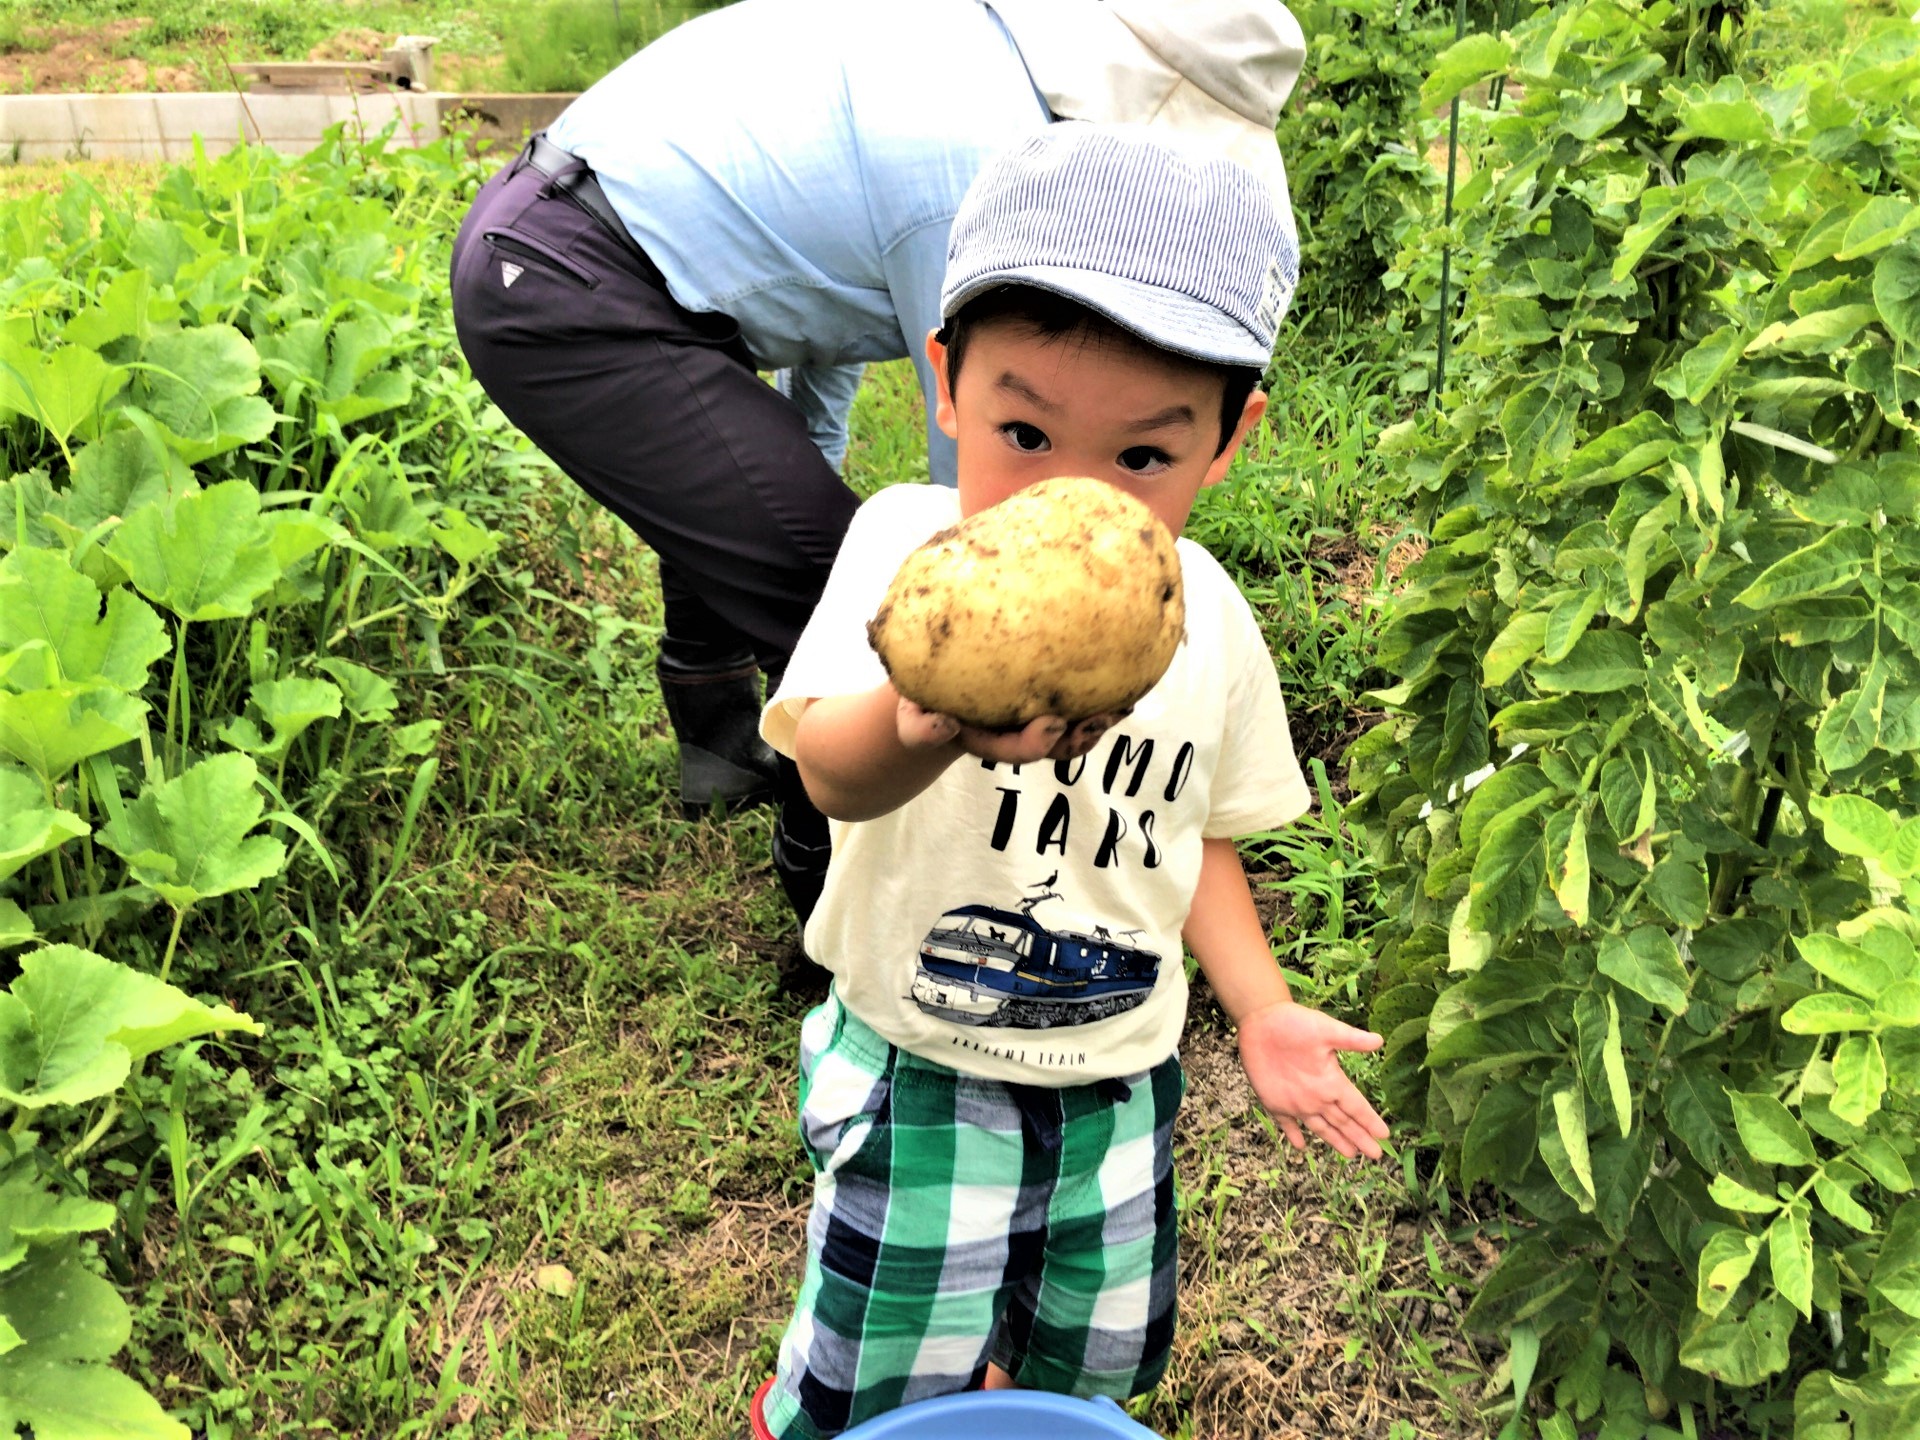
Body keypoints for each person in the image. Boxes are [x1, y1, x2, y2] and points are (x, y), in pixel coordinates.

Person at [748, 124, 1389, 1440]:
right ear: (945, 382)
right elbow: (827, 773)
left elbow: (1198, 838)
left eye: (1144, 457)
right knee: (869, 1364)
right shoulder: (906, 559)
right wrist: (920, 721)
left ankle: (1012, 1401)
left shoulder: (1204, 617)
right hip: (922, 1066)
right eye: (1026, 431)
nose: (1073, 500)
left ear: (1230, 439)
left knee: (1084, 1355)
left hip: (1119, 1081)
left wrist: (1258, 1009)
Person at [447, 0, 1306, 930]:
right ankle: (829, 885)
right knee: (876, 614)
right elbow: (984, 531)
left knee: (759, 515)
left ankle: (719, 746)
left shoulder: (980, 72)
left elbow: (821, 312)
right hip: (564, 276)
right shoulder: (987, 156)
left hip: (609, 254)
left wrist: (799, 458)